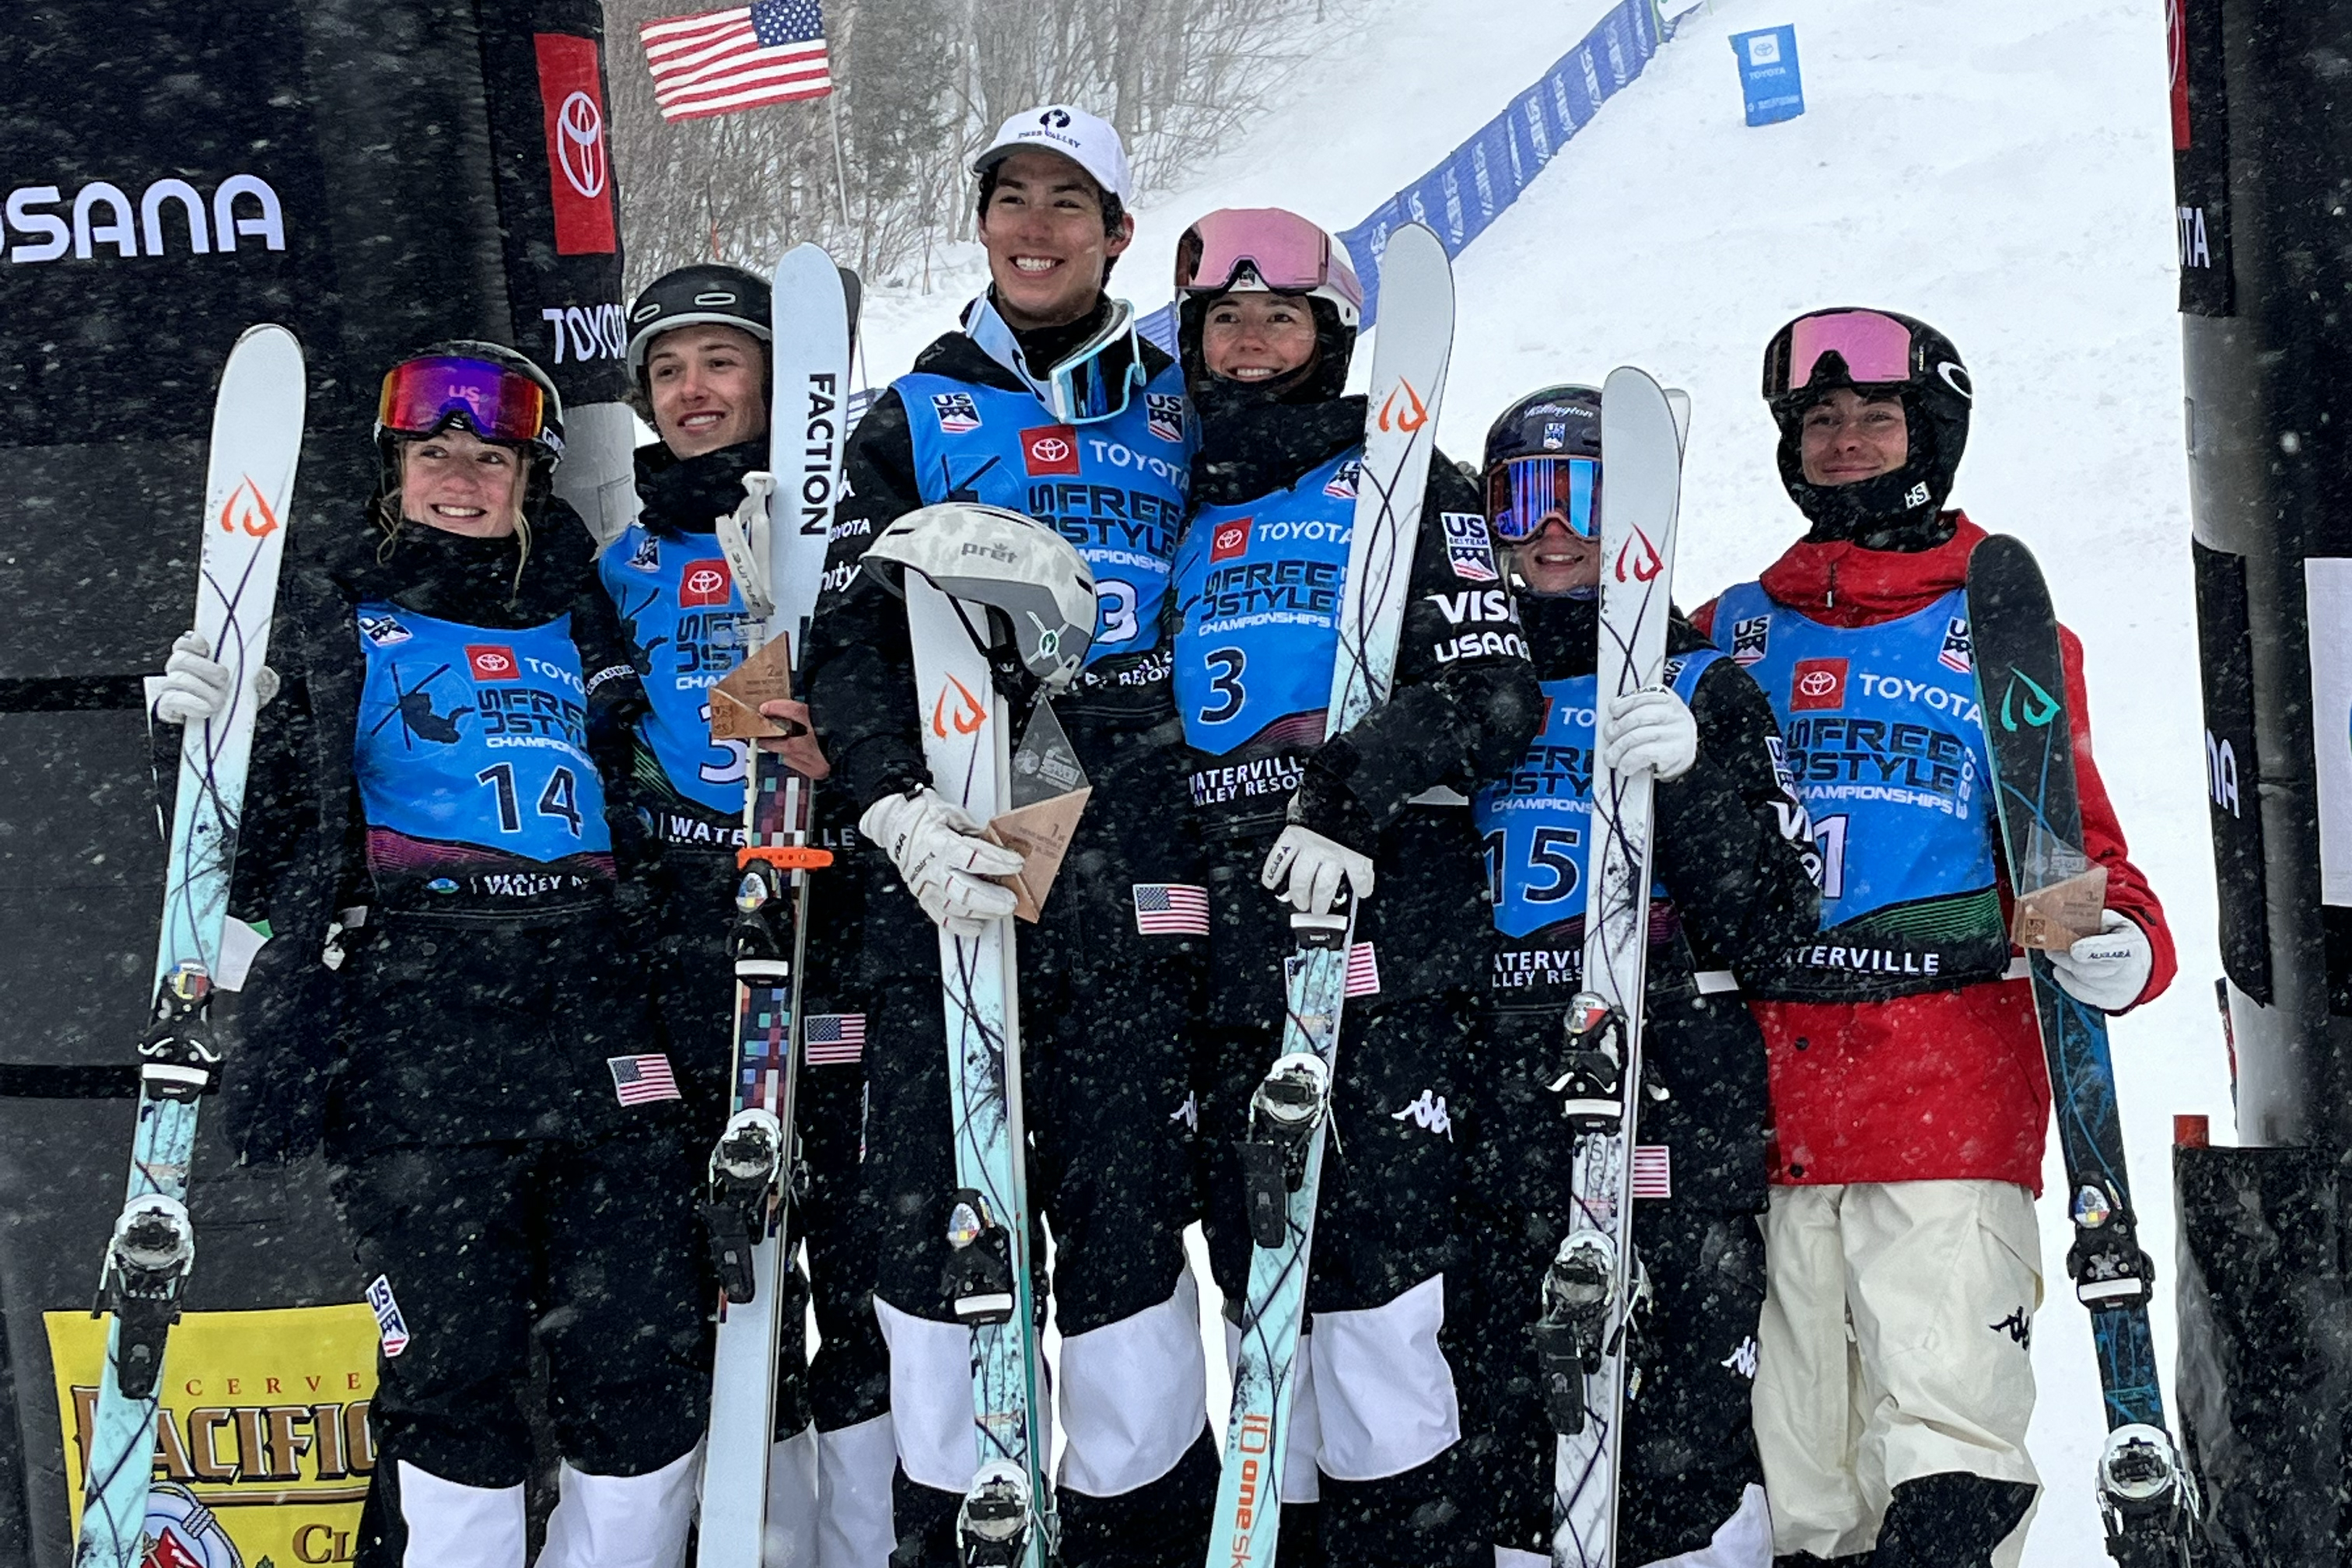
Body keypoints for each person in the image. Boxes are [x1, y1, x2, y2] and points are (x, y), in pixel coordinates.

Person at [157, 344, 708, 1566]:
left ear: (531, 476)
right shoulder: (338, 612)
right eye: (433, 452)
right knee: (453, 1376)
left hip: (598, 1021)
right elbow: (261, 863)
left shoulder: (587, 610)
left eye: (491, 456)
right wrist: (202, 752)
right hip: (421, 1027)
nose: (462, 476)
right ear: (393, 470)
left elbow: (659, 797)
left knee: (642, 1351)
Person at [1690, 309, 2178, 1568]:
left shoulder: (1997, 624)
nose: (1845, 441)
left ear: (1931, 432)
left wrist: (2118, 937)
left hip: (1945, 1108)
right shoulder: (1732, 628)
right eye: (1820, 420)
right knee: (1805, 1491)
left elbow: (2083, 858)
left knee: (1949, 1469)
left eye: (1875, 417)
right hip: (1771, 1114)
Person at [799, 105, 1214, 1567]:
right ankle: (947, 1535)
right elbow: (841, 641)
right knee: (933, 1235)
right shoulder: (918, 410)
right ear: (979, 224)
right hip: (956, 864)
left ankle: (1138, 1536)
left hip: (1123, 859)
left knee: (1121, 1256)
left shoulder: (1185, 398)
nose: (1035, 229)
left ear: (1115, 229)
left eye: (1067, 203)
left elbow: (1316, 515)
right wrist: (889, 802)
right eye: (1008, 200)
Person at [1163, 206, 1542, 1567]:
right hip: (1224, 968)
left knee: (1381, 1322)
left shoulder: (1400, 483)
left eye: (1281, 319)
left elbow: (1497, 692)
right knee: (1273, 1336)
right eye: (1225, 320)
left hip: (1376, 962)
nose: (1251, 343)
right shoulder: (1179, 500)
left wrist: (1352, 787)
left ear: (1330, 338)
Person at [1461, 385, 1818, 1568]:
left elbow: (1771, 920)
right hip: (1500, 1072)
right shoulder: (1459, 687)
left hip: (1667, 1066)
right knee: (1512, 1395)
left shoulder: (1706, 680)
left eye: (1583, 498)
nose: (1552, 529)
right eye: (1523, 496)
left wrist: (1702, 772)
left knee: (1676, 1402)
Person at [602, 261, 894, 1566]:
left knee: (858, 1243)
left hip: (837, 922)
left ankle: (880, 1531)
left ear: (780, 383)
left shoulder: (848, 538)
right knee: (736, 1258)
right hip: (692, 930)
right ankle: (765, 1537)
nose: (695, 392)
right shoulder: (621, 559)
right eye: (669, 371)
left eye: (722, 363)